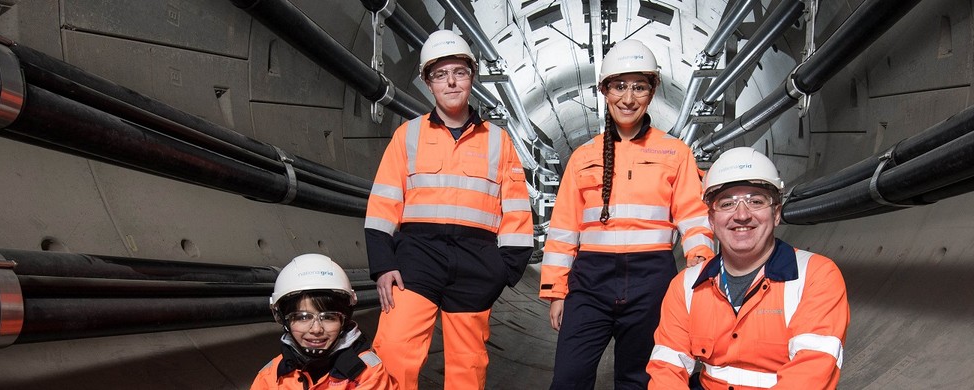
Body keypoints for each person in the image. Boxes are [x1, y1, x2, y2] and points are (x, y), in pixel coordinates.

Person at [539, 39, 716, 389]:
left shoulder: (675, 153)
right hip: (590, 282)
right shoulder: (583, 157)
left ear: (651, 92)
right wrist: (557, 292)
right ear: (604, 90)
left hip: (652, 281)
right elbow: (563, 231)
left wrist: (700, 266)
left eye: (639, 86)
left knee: (639, 380)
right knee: (568, 378)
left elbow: (694, 218)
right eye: (619, 86)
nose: (628, 97)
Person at [363, 29, 534, 390]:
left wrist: (503, 271)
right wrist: (383, 264)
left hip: (476, 262)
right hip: (416, 259)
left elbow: (517, 211)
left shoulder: (498, 141)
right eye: (440, 74)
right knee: (394, 350)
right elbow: (382, 204)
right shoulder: (407, 135)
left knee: (467, 367)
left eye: (459, 72)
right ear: (428, 81)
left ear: (472, 76)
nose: (451, 82)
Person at [646, 147, 850, 389]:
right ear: (711, 219)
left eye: (755, 201)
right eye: (727, 204)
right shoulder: (685, 286)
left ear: (776, 213)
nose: (741, 215)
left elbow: (809, 374)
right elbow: (667, 371)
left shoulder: (816, 276)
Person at [252, 254, 397, 390]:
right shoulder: (270, 378)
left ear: (344, 320)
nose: (316, 329)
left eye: (328, 317)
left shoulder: (368, 374)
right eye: (303, 317)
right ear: (284, 320)